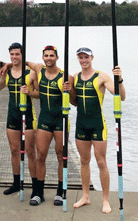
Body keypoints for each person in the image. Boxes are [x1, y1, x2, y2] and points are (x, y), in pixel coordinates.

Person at [71, 47, 125, 214]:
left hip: (97, 125)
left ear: (92, 57)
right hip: (81, 124)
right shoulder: (74, 77)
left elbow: (120, 96)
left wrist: (120, 79)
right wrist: (68, 90)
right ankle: (85, 196)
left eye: (86, 57)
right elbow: (74, 102)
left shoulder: (101, 76)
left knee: (101, 162)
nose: (83, 60)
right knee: (84, 161)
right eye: (80, 57)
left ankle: (105, 200)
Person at [24, 45, 74, 206]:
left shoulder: (65, 76)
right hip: (44, 120)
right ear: (43, 57)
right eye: (46, 56)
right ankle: (39, 192)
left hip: (61, 121)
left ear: (57, 57)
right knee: (41, 156)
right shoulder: (39, 70)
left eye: (52, 55)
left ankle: (60, 192)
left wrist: (70, 90)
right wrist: (6, 65)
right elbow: (23, 62)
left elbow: (75, 101)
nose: (48, 58)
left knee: (61, 156)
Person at [0, 43, 38, 196]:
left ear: (22, 55)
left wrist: (29, 92)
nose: (14, 57)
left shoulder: (30, 73)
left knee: (30, 152)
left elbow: (39, 93)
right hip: (12, 115)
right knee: (14, 151)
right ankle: (16, 183)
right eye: (12, 54)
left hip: (28, 116)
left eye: (17, 54)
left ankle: (35, 187)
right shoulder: (8, 71)